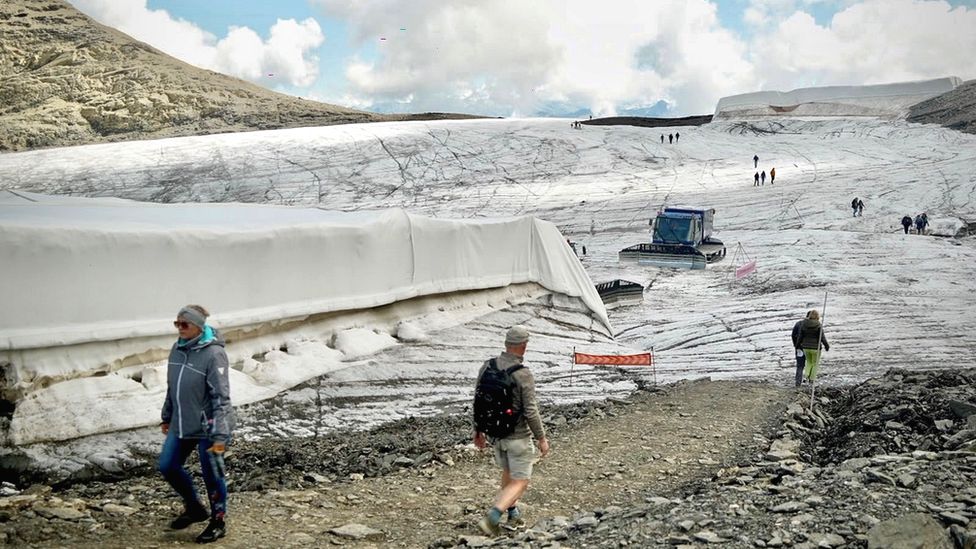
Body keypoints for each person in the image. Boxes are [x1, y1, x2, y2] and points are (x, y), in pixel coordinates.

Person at [160, 305, 233, 544]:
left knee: (213, 473)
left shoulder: (214, 354)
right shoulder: (177, 349)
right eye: (176, 324)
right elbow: (173, 386)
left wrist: (220, 435)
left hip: (209, 426)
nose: (179, 328)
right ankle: (194, 508)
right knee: (167, 466)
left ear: (199, 327)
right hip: (183, 421)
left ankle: (218, 521)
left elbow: (221, 397)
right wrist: (167, 415)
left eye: (185, 324)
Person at [474, 326, 549, 536]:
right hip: (518, 437)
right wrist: (541, 438)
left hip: (496, 435)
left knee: (508, 474)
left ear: (506, 344)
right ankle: (492, 518)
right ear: (523, 346)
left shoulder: (487, 366)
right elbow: (531, 411)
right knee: (521, 481)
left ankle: (513, 513)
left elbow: (478, 400)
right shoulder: (522, 374)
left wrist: (477, 431)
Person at [797, 309, 830, 384]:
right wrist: (826, 346)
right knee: (815, 363)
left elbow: (800, 336)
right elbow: (822, 337)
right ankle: (812, 379)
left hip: (805, 347)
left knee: (808, 362)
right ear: (817, 316)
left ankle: (806, 376)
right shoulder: (818, 325)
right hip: (816, 348)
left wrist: (798, 345)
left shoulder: (804, 324)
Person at [790, 317, 806, 388]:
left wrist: (795, 345)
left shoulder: (798, 323)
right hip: (812, 348)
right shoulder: (817, 325)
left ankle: (798, 383)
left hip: (799, 347)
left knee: (800, 366)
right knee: (812, 364)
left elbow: (793, 335)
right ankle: (811, 383)